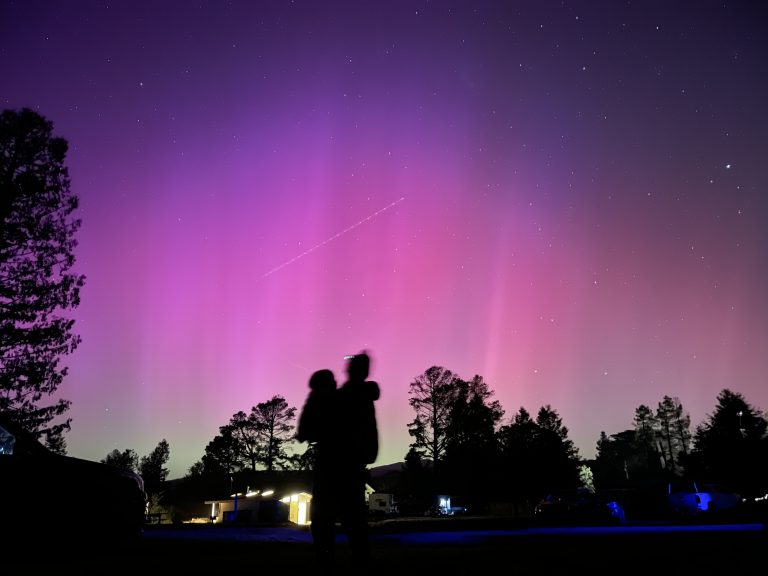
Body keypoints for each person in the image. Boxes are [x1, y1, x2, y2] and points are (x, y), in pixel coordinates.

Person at [296, 351, 380, 574]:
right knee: (353, 521)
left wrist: (317, 395)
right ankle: (357, 562)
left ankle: (329, 563)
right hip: (350, 466)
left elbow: (306, 430)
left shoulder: (341, 397)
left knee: (326, 519)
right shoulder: (358, 396)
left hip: (333, 466)